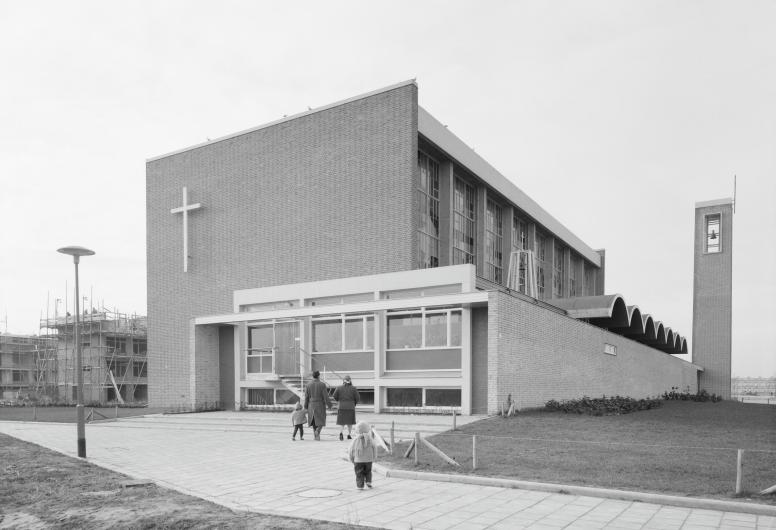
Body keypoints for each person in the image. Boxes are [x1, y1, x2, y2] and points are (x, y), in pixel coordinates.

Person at [348, 421, 376, 490]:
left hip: (358, 460)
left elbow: (351, 450)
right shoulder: (370, 439)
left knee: (359, 473)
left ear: (357, 430)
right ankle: (368, 481)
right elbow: (374, 448)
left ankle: (360, 486)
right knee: (368, 471)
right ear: (367, 429)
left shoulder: (355, 439)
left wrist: (351, 458)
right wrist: (374, 457)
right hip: (368, 460)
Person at [304, 370, 331, 441]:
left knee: (313, 421)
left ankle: (316, 436)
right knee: (321, 420)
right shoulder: (322, 384)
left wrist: (305, 406)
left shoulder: (308, 385)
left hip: (311, 405)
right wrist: (329, 405)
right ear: (318, 376)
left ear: (312, 376)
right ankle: (317, 431)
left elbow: (306, 397)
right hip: (320, 405)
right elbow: (325, 396)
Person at [332, 375, 359, 440]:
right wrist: (354, 403)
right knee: (350, 422)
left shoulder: (339, 388)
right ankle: (349, 435)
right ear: (350, 381)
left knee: (342, 422)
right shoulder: (353, 388)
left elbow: (334, 396)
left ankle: (341, 433)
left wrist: (339, 401)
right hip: (350, 407)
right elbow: (357, 398)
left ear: (343, 381)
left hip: (341, 407)